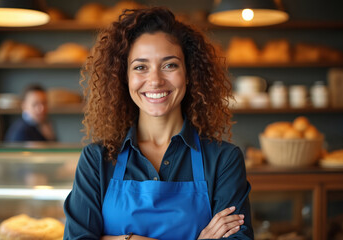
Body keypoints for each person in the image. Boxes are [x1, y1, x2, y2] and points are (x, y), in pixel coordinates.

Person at [64, 7, 253, 240]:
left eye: (169, 65)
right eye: (140, 67)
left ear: (189, 73)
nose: (155, 80)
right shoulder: (97, 160)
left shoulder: (223, 160)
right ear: (124, 77)